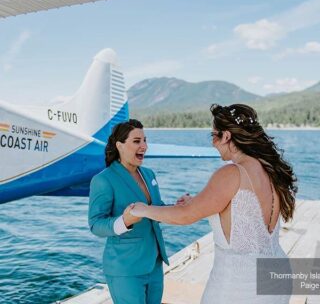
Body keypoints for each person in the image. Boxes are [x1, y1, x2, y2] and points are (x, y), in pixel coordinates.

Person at [130, 104, 297, 304]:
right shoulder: (271, 171)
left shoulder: (232, 173)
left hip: (240, 285)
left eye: (214, 135)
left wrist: (142, 209)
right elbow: (238, 209)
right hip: (277, 275)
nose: (212, 142)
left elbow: (184, 215)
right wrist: (195, 202)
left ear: (226, 136)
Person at [88, 119, 169, 304]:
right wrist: (124, 221)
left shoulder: (149, 174)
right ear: (120, 146)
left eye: (145, 140)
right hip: (125, 269)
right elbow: (95, 224)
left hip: (155, 264)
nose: (144, 146)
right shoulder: (103, 180)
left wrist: (177, 207)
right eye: (136, 141)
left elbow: (155, 208)